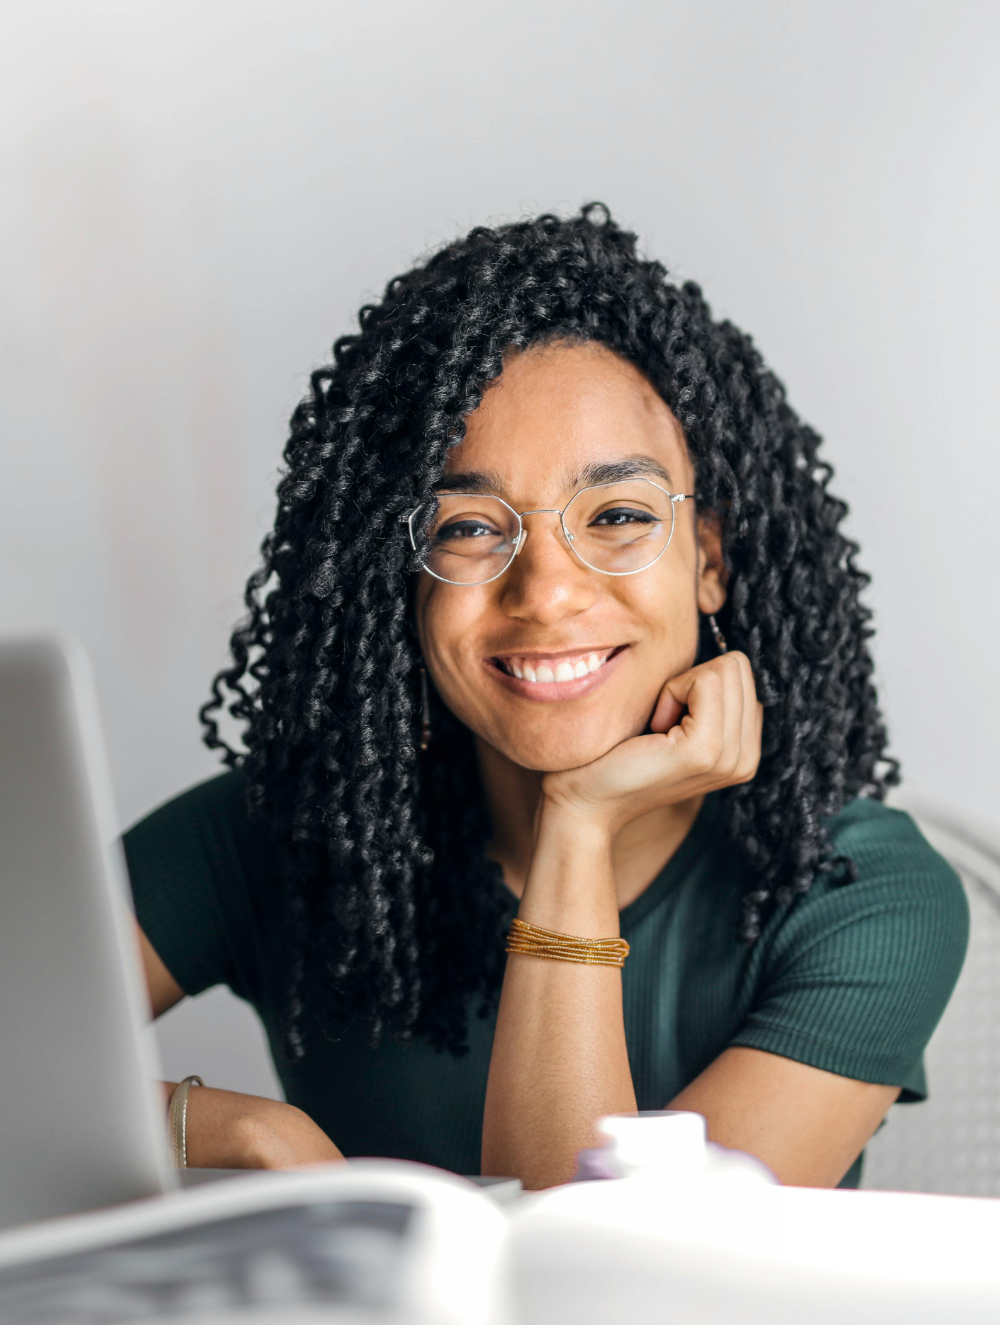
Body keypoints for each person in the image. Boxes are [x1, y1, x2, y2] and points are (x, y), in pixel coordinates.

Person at [127, 205, 968, 1190]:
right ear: (400, 577)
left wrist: (578, 825)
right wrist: (232, 1129)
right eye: (468, 528)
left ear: (709, 559)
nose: (547, 592)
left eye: (617, 515)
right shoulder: (288, 830)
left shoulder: (858, 891)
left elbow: (601, 1261)